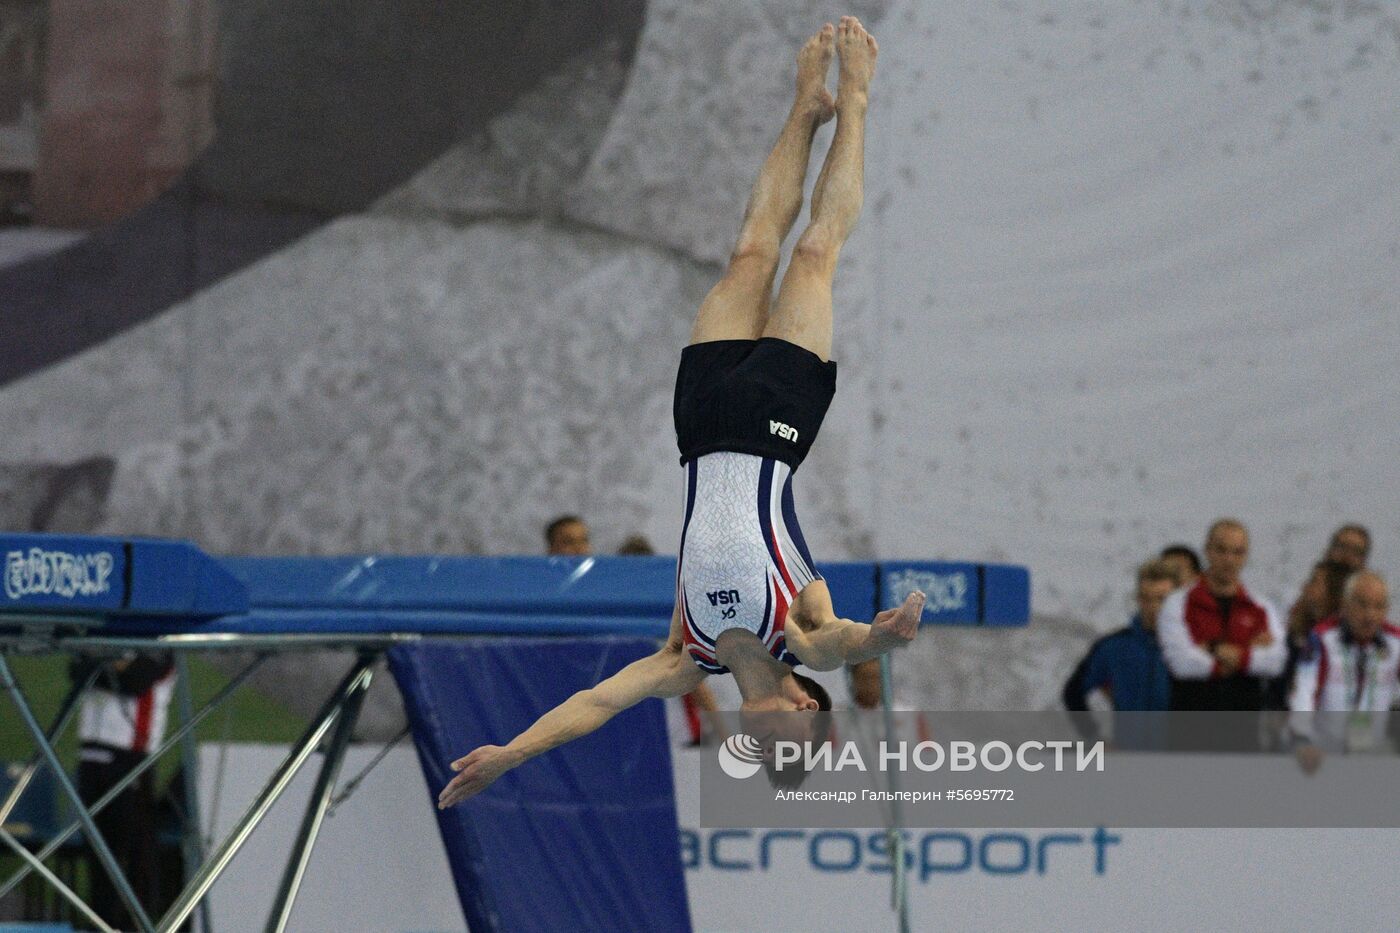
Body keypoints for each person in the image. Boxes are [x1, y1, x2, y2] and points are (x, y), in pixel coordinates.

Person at [439, 18, 925, 807]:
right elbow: (842, 644)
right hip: (776, 426)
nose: (765, 753)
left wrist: (513, 754)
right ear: (805, 706)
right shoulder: (798, 634)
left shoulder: (685, 653)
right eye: (789, 754)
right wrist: (882, 635)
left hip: (699, 428)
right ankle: (855, 102)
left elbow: (596, 703)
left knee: (748, 254)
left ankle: (806, 108)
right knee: (811, 255)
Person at [71, 651, 176, 930]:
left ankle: (135, 926)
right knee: (99, 857)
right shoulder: (104, 634)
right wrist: (111, 665)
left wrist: (101, 664)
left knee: (131, 856)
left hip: (130, 760)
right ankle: (101, 924)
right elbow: (78, 672)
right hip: (91, 758)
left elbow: (135, 680)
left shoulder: (159, 642)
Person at [1157, 518, 1285, 711]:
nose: (1229, 560)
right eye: (1222, 550)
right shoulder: (1178, 603)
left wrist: (1211, 649)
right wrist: (1247, 651)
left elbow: (1276, 661)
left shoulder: (1261, 606)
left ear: (1246, 556)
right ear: (1208, 551)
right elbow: (1181, 663)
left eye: (1237, 552)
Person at [1288, 571, 1397, 772]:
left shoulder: (1395, 642)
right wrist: (1303, 740)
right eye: (1362, 604)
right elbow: (1303, 691)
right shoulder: (1321, 638)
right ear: (1345, 605)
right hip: (1323, 754)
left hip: (1371, 756)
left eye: (1378, 606)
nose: (1370, 615)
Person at [1061, 559, 1177, 745]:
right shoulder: (1114, 647)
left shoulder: (1191, 651)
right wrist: (1093, 737)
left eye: (1161, 599)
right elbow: (1073, 692)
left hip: (1179, 761)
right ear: (1138, 598)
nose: (1154, 607)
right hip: (1128, 760)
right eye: (1146, 598)